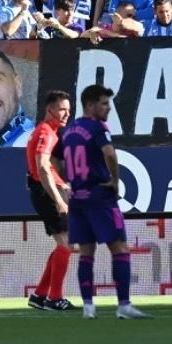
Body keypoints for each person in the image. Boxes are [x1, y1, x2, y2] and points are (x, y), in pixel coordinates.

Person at [62, 84, 150, 320]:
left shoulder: (70, 129)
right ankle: (123, 305)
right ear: (90, 105)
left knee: (86, 253)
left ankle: (88, 307)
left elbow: (55, 158)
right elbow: (110, 153)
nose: (108, 108)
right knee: (119, 247)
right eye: (103, 103)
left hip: (77, 198)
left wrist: (69, 180)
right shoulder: (97, 127)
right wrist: (114, 180)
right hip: (99, 196)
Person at [24, 90, 75, 311]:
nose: (66, 114)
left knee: (65, 244)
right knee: (68, 243)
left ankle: (40, 295)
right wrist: (59, 200)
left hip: (48, 190)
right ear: (49, 110)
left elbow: (47, 168)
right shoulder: (46, 132)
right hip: (45, 193)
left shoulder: (50, 131)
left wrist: (62, 185)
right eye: (62, 109)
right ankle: (54, 298)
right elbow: (42, 167)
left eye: (69, 110)